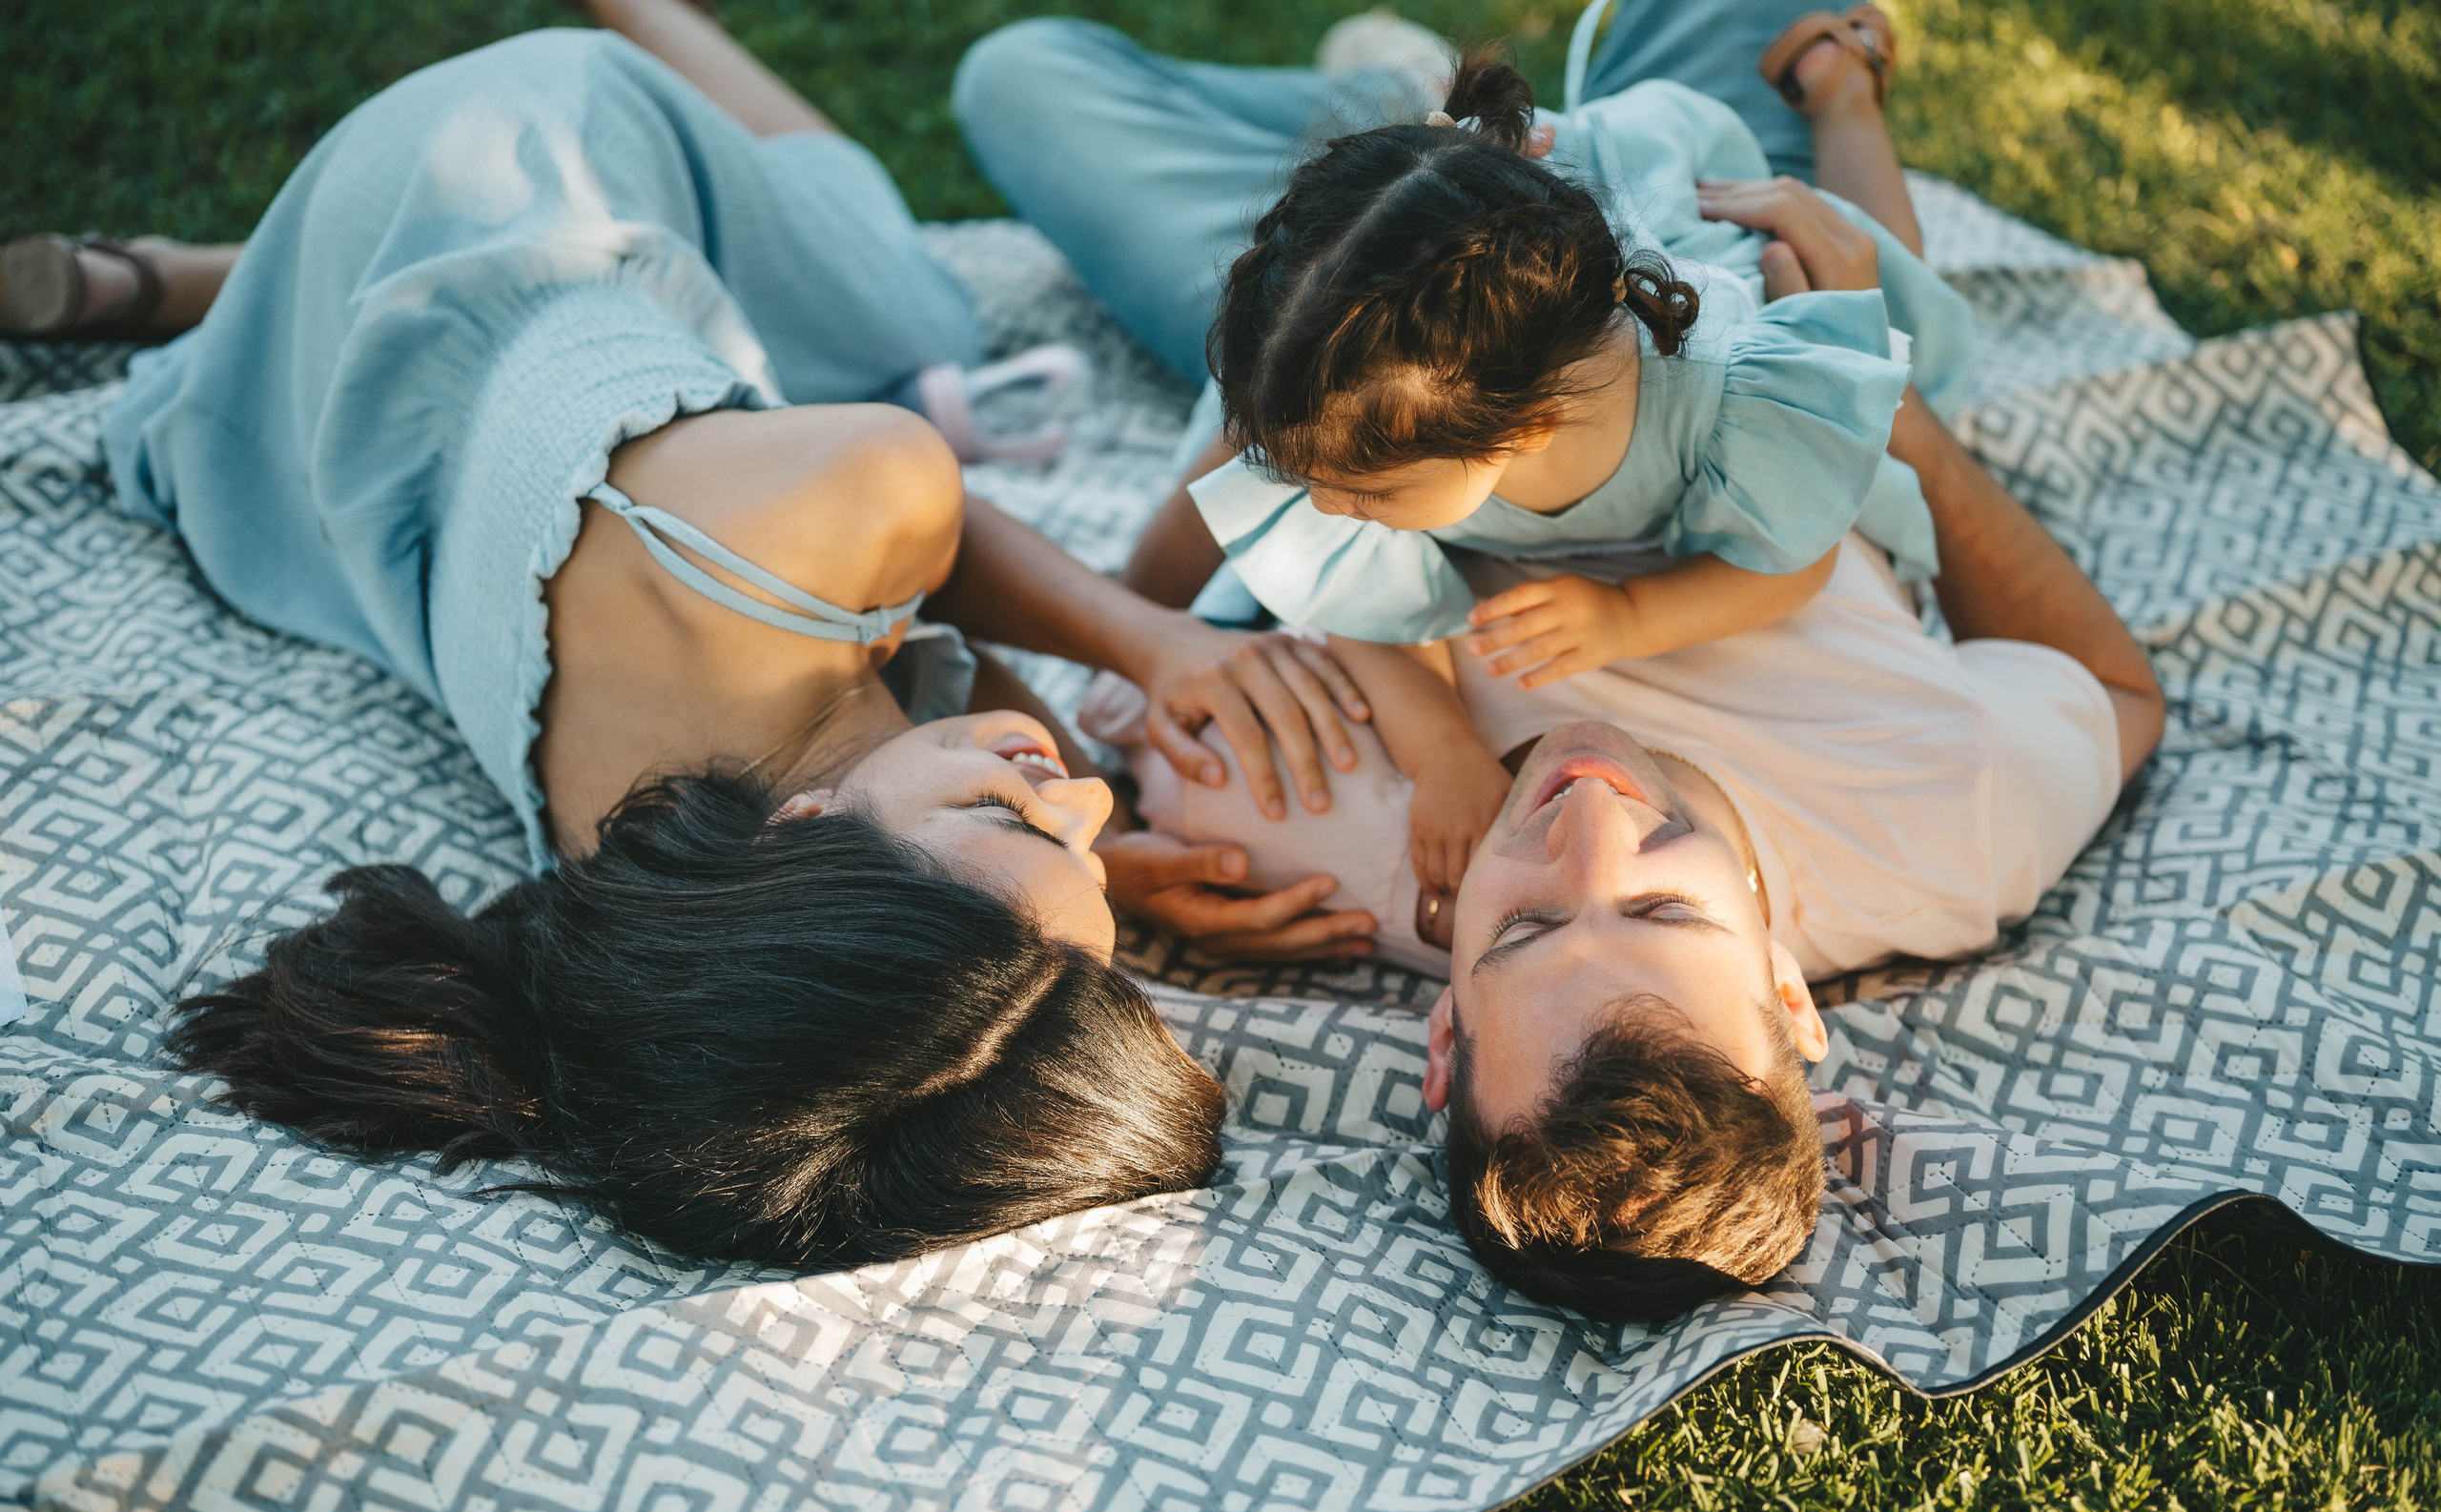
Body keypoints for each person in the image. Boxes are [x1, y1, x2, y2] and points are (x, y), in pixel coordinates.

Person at [3, 0, 1406, 1274]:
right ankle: (205, 287)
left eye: (1023, 808)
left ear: (798, 837)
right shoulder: (644, 884)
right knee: (883, 305)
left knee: (903, 290)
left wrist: (1154, 643)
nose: (1091, 788)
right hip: (352, 398)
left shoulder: (849, 496)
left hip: (510, 156)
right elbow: (883, 949)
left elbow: (938, 530)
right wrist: (1062, 895)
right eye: (1085, 857)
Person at [971, 5, 2166, 1319]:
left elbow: (1139, 661)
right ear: (1786, 997)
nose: (1586, 818)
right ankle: (1801, 96)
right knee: (1779, 43)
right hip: (1709, 236)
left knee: (1019, 74)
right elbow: (2118, 693)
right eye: (1664, 908)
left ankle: (1407, 119)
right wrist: (1889, 406)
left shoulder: (1329, 842)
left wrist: (1107, 865)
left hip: (1379, 353)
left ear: (1441, 1033)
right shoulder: (1950, 822)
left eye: (1527, 923)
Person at [955, 7, 1975, 899]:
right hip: (1485, 230)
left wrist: (1632, 615)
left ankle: (1841, 96)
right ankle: (1396, 81)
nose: (1324, 504)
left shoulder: (1740, 406)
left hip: (1710, 211)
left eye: (1363, 491)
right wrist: (1432, 740)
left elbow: (1787, 563)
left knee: (1892, 317)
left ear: (1524, 430)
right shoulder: (1354, 405)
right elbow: (1346, 588)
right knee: (1014, 74)